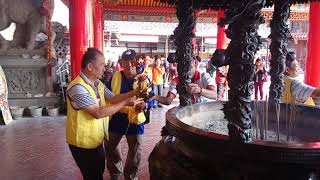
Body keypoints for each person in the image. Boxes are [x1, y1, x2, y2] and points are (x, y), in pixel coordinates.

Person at [66, 48, 143, 180]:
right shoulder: (77, 87)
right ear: (90, 66)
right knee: (92, 175)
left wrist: (135, 92)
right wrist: (125, 103)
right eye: (102, 64)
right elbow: (98, 112)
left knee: (98, 171)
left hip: (95, 140)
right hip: (82, 144)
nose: (105, 67)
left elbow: (113, 98)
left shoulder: (97, 84)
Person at [105, 49, 147, 180]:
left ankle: (131, 176)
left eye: (131, 61)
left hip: (135, 119)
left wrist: (144, 105)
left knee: (135, 151)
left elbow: (149, 99)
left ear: (136, 62)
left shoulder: (144, 78)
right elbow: (108, 97)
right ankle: (116, 173)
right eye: (125, 61)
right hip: (116, 116)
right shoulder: (115, 76)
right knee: (111, 147)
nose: (129, 64)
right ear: (121, 63)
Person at [151, 58, 216, 105]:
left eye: (189, 66)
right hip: (187, 112)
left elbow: (215, 95)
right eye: (183, 67)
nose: (186, 71)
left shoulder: (204, 76)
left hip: (203, 111)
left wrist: (200, 90)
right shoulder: (177, 80)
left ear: (195, 64)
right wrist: (155, 97)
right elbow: (168, 101)